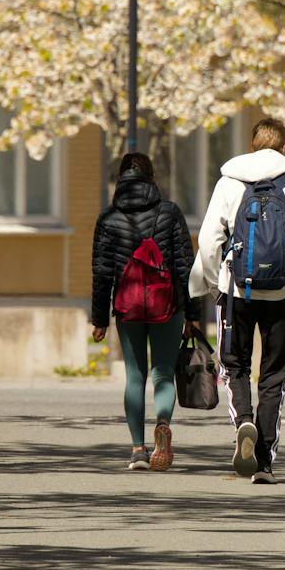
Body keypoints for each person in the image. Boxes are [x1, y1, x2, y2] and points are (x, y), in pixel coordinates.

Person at [190, 117, 285, 483]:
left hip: (236, 293)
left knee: (233, 365)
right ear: (284, 148)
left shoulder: (229, 182)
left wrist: (212, 283)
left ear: (252, 145)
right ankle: (265, 460)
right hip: (282, 293)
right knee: (274, 375)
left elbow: (208, 240)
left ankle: (244, 422)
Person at [91, 152, 202, 472]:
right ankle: (163, 424)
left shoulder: (108, 219)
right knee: (164, 372)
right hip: (167, 306)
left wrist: (99, 319)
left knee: (135, 376)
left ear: (120, 180)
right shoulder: (170, 213)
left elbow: (101, 273)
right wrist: (194, 312)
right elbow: (185, 265)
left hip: (128, 309)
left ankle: (138, 450)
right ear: (152, 178)